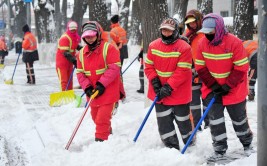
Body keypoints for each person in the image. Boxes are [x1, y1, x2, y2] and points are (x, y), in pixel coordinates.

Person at [195, 13, 253, 161]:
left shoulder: (234, 43)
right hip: (212, 89)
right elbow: (201, 68)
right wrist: (214, 85)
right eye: (206, 32)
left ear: (219, 29)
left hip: (234, 89)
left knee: (239, 120)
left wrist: (227, 86)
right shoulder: (202, 43)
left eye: (211, 32)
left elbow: (241, 67)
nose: (208, 35)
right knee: (215, 122)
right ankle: (219, 149)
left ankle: (247, 144)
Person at [144, 18, 193, 150]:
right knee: (164, 123)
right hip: (159, 92)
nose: (166, 33)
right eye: (164, 30)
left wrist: (169, 87)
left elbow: (182, 70)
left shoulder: (184, 47)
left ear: (176, 31)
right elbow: (148, 66)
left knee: (183, 122)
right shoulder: (153, 45)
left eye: (169, 30)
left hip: (178, 92)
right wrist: (155, 82)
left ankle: (191, 145)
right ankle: (171, 148)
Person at [76, 21, 121, 141]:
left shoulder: (108, 48)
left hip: (108, 90)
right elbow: (80, 73)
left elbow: (114, 67)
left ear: (98, 34)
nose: (90, 39)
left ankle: (101, 141)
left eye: (92, 35)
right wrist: (87, 88)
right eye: (86, 37)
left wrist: (101, 84)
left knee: (102, 119)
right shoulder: (81, 54)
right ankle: (107, 131)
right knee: (95, 117)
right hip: (93, 93)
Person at [184, 9, 209, 131]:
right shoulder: (186, 34)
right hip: (191, 74)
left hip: (206, 73)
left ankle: (209, 124)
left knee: (207, 100)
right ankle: (196, 126)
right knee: (193, 103)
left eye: (194, 22)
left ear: (199, 20)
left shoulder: (206, 33)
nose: (192, 25)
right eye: (189, 22)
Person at [56, 21, 81, 91]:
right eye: (72, 30)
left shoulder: (74, 37)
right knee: (64, 82)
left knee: (70, 83)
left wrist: (84, 49)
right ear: (68, 29)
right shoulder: (65, 38)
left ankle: (70, 98)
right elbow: (65, 53)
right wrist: (75, 61)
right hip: (62, 64)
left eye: (74, 30)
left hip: (69, 63)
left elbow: (76, 46)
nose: (73, 31)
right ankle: (64, 98)